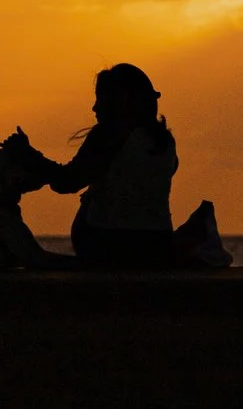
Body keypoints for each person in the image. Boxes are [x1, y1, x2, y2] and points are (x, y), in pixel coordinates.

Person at [25, 64, 225, 270]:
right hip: (155, 247)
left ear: (120, 102)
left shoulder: (108, 136)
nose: (95, 107)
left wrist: (30, 157)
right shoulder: (165, 142)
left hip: (106, 247)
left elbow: (66, 182)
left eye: (101, 99)